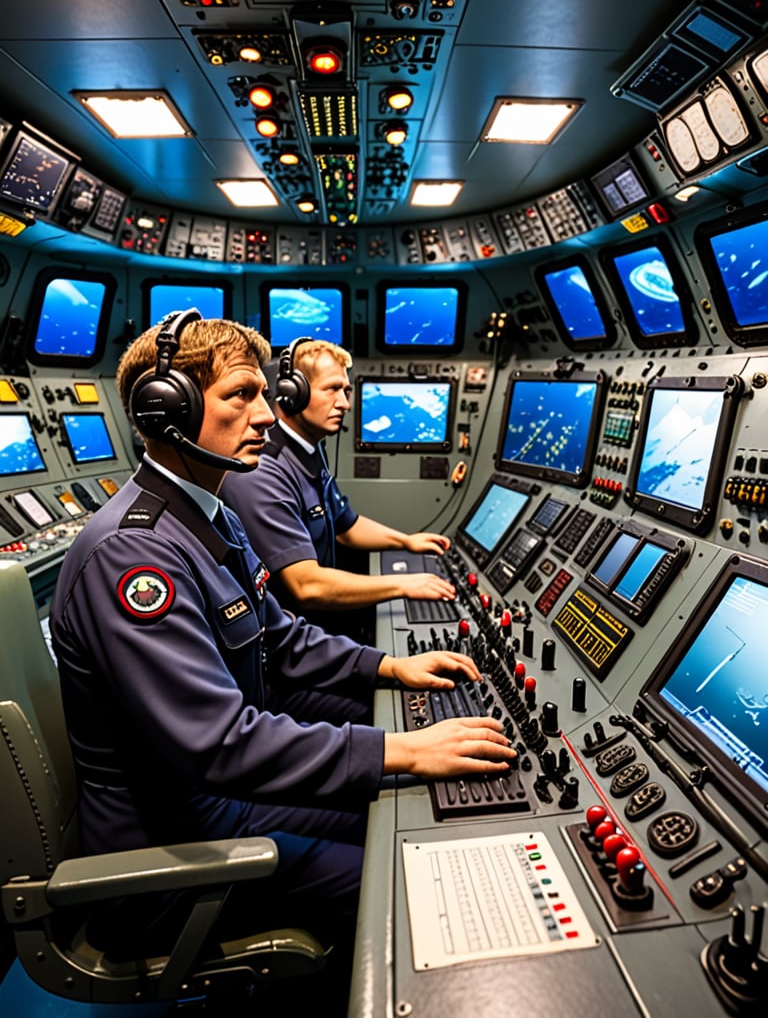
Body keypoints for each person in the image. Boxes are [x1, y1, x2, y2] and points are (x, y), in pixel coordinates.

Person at [49, 311, 515, 1005]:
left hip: (219, 803)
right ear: (165, 408)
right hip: (171, 846)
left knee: (410, 819)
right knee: (402, 879)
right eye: (242, 394)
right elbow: (220, 742)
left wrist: (390, 668)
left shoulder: (209, 515)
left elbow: (283, 639)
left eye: (267, 392)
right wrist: (404, 749)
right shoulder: (134, 552)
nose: (267, 414)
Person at [220, 337, 456, 637]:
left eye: (346, 391)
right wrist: (404, 584)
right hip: (289, 644)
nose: (344, 403)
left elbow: (346, 526)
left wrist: (406, 542)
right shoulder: (263, 470)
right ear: (292, 393)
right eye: (332, 389)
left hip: (320, 627)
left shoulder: (309, 449)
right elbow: (307, 586)